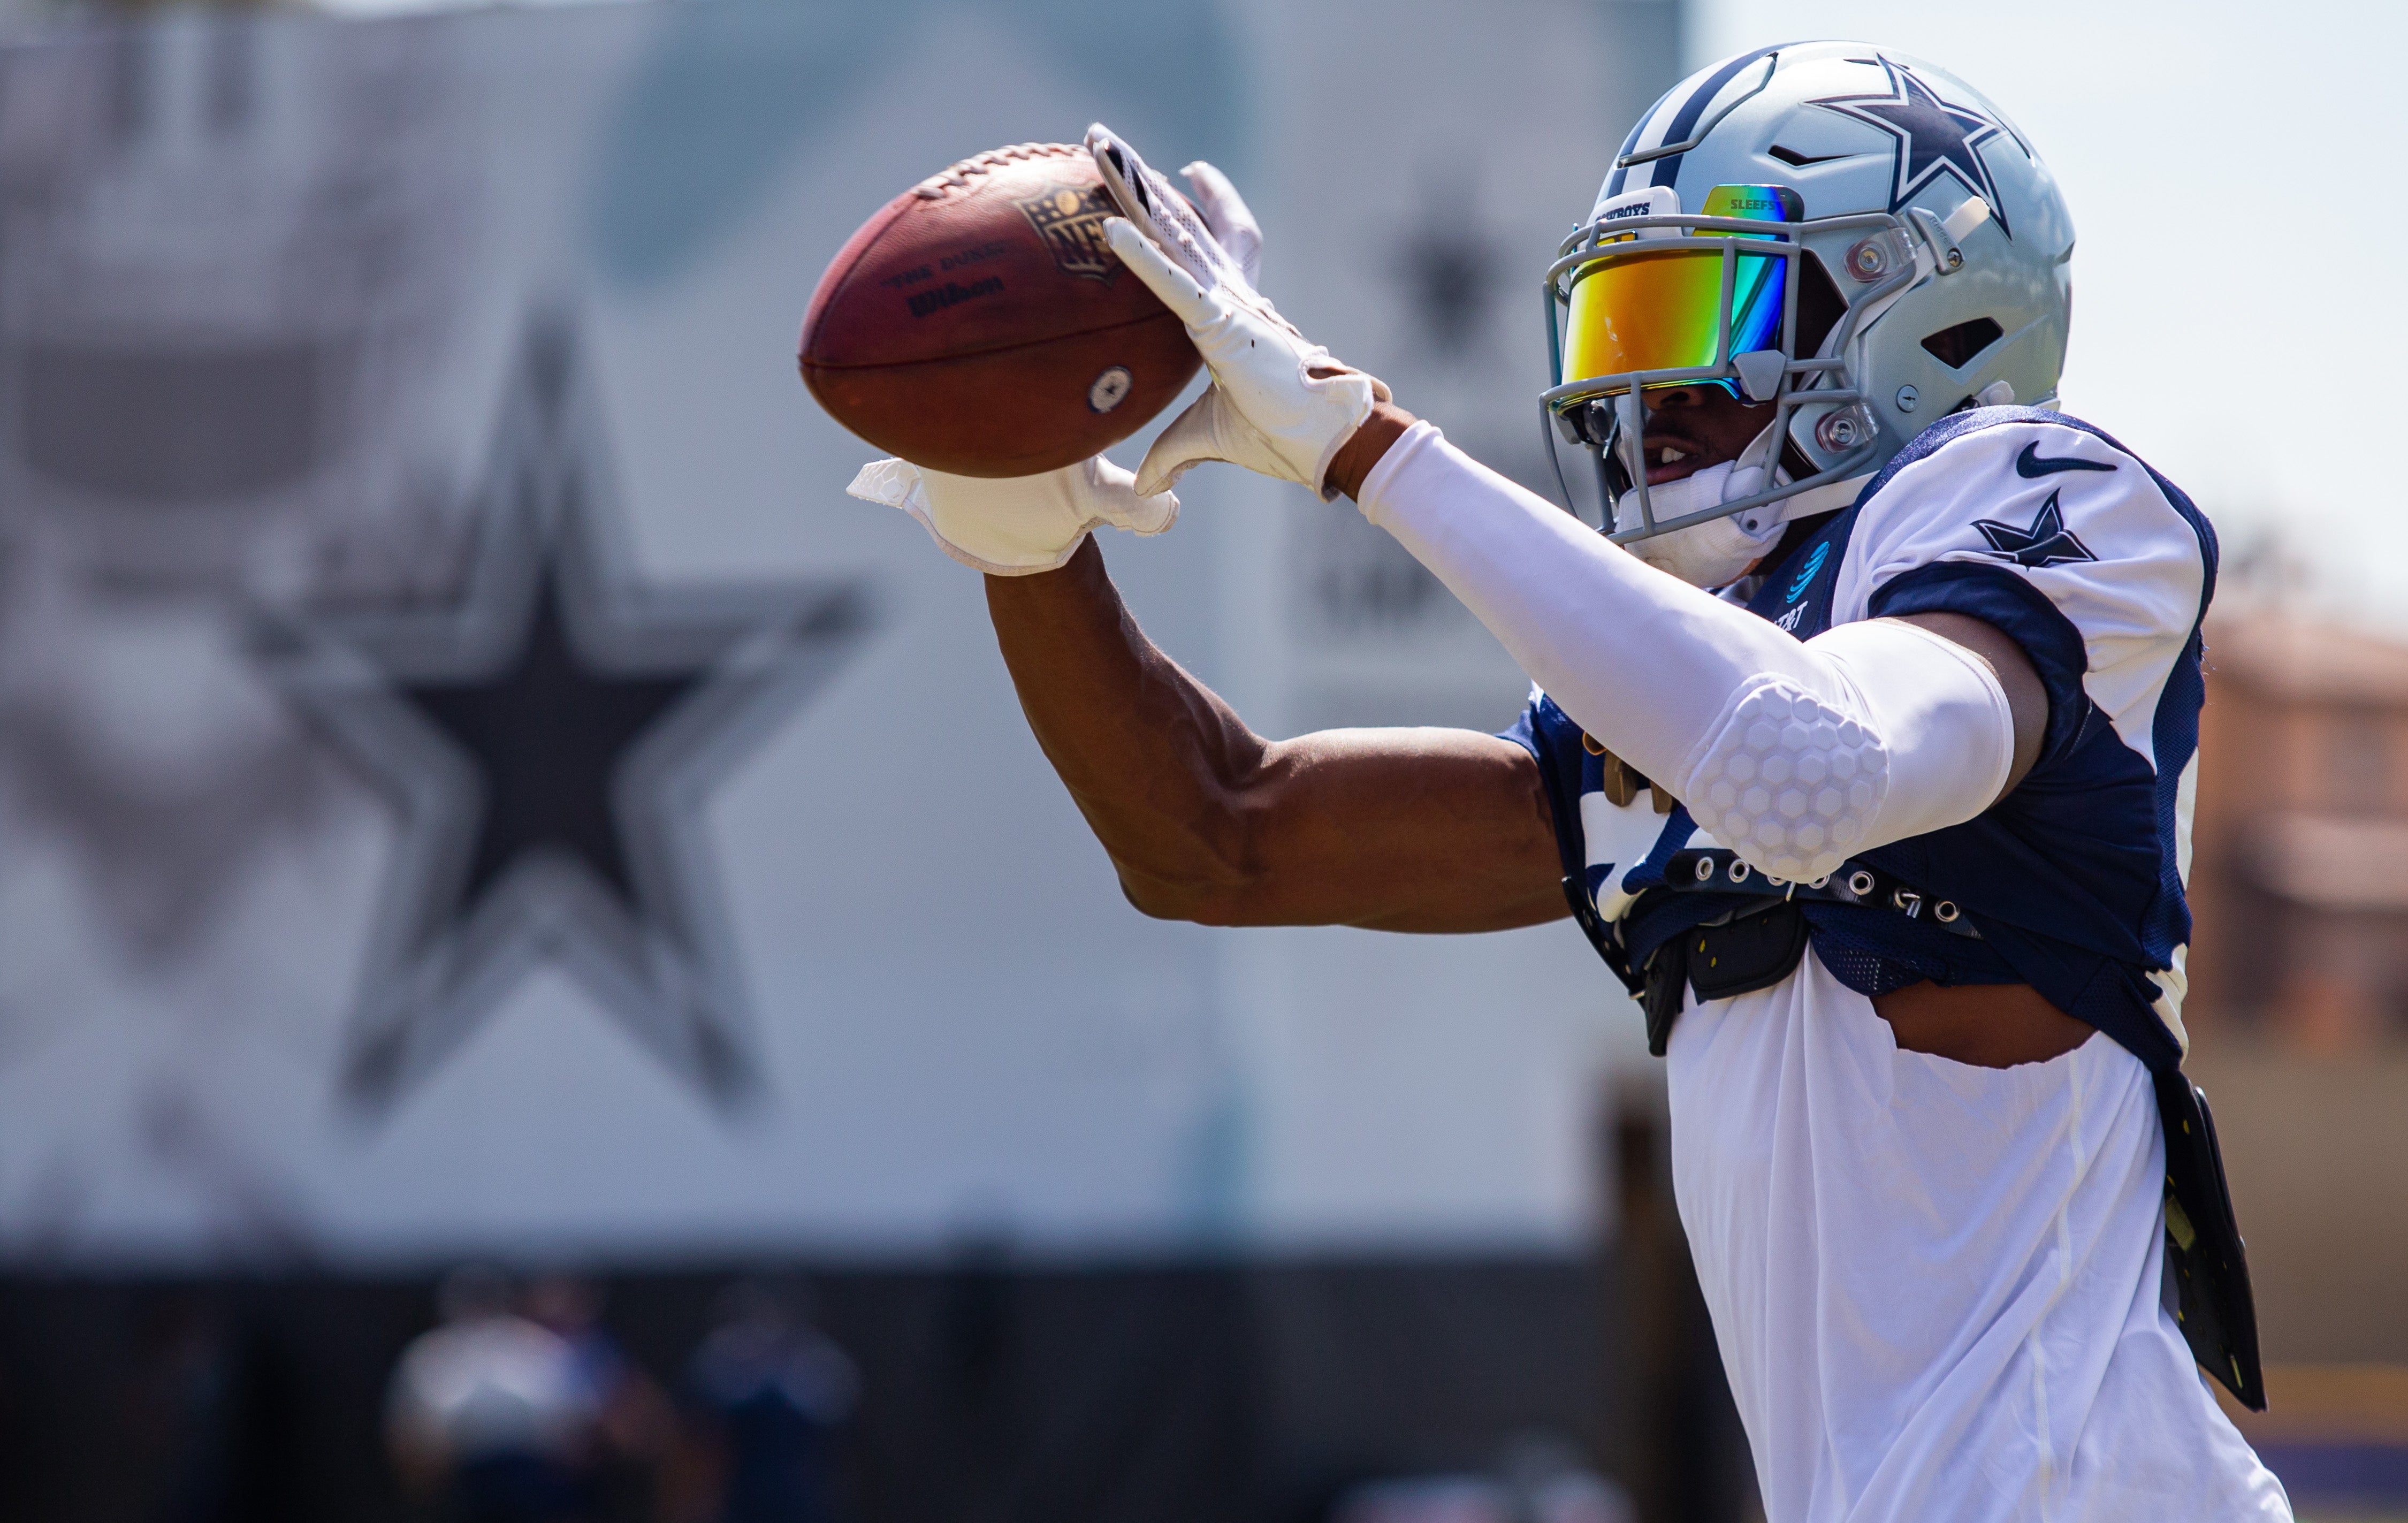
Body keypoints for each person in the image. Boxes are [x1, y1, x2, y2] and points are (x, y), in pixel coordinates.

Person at [846, 41, 2300, 1522]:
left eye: (1692, 309)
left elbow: (1818, 767)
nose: (1635, 385)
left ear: (1915, 310)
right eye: (1612, 318)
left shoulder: (2035, 495)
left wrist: (1362, 440)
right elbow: (1217, 835)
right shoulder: (1712, 665)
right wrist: (1022, 530)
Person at [386, 1266, 603, 1523]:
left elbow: (576, 1432)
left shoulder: (539, 1346)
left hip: (531, 1482)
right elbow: (413, 1442)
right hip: (470, 1483)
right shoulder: (431, 1354)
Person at [673, 1278, 858, 1523]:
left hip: (799, 1494)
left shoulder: (818, 1359)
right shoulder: (722, 1357)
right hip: (740, 1493)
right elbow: (699, 1418)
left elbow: (838, 1411)